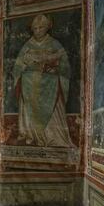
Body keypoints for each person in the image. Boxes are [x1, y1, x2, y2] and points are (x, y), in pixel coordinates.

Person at [13, 14, 74, 147]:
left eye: (41, 28)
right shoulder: (28, 45)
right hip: (29, 84)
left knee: (54, 90)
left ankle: (51, 136)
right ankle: (31, 134)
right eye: (35, 28)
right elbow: (17, 67)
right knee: (25, 83)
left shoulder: (54, 43)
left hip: (49, 84)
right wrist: (26, 66)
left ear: (47, 28)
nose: (38, 31)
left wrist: (55, 69)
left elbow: (65, 66)